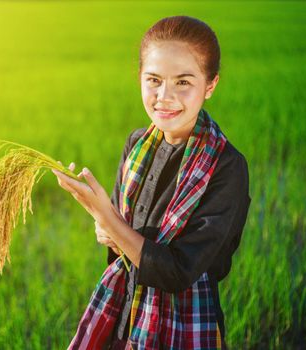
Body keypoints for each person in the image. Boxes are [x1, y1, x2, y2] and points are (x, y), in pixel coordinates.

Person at [51, 15, 251, 349]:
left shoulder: (227, 167)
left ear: (210, 85)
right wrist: (106, 227)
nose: (164, 96)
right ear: (140, 78)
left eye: (183, 82)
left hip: (186, 328)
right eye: (154, 79)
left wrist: (108, 220)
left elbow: (177, 271)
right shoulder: (136, 144)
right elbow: (119, 245)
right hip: (124, 314)